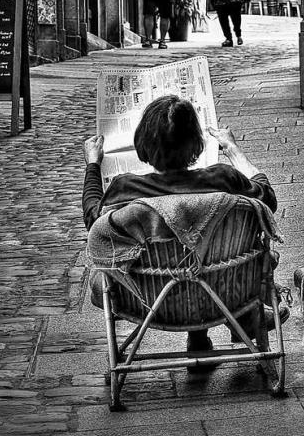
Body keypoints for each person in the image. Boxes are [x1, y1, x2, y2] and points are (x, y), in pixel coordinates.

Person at [83, 94, 288, 362]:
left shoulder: (125, 188)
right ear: (196, 142)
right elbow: (267, 198)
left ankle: (203, 337)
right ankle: (236, 322)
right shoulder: (224, 179)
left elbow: (93, 220)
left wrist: (92, 164)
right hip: (225, 293)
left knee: (102, 279)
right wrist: (232, 148)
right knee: (219, 256)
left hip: (148, 299)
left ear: (144, 143)